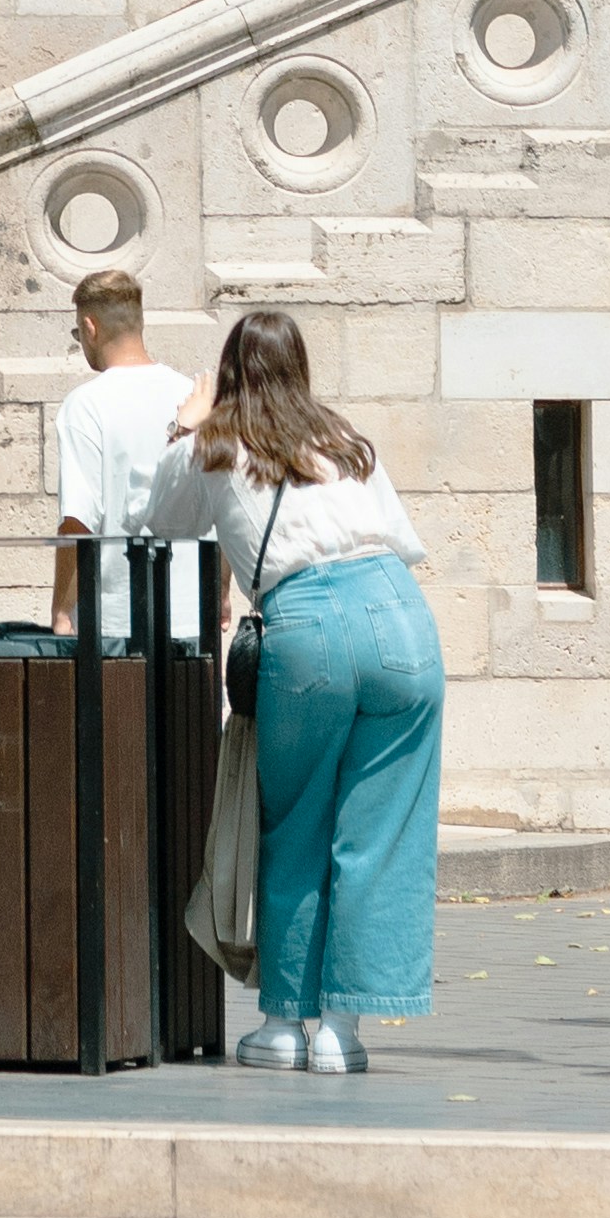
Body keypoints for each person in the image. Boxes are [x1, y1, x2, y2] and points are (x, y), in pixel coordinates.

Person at [156, 307, 444, 1077]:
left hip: (306, 619)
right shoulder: (347, 443)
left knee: (294, 826)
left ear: (228, 372)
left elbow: (156, 522)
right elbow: (399, 539)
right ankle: (344, 1033)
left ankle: (284, 1024)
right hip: (399, 616)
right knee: (377, 834)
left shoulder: (214, 446)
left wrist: (183, 424)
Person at [48, 266, 197, 644]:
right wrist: (221, 593)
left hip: (115, 624)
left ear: (89, 327)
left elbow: (79, 522)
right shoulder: (192, 395)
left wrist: (62, 611)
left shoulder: (86, 405)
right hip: (191, 617)